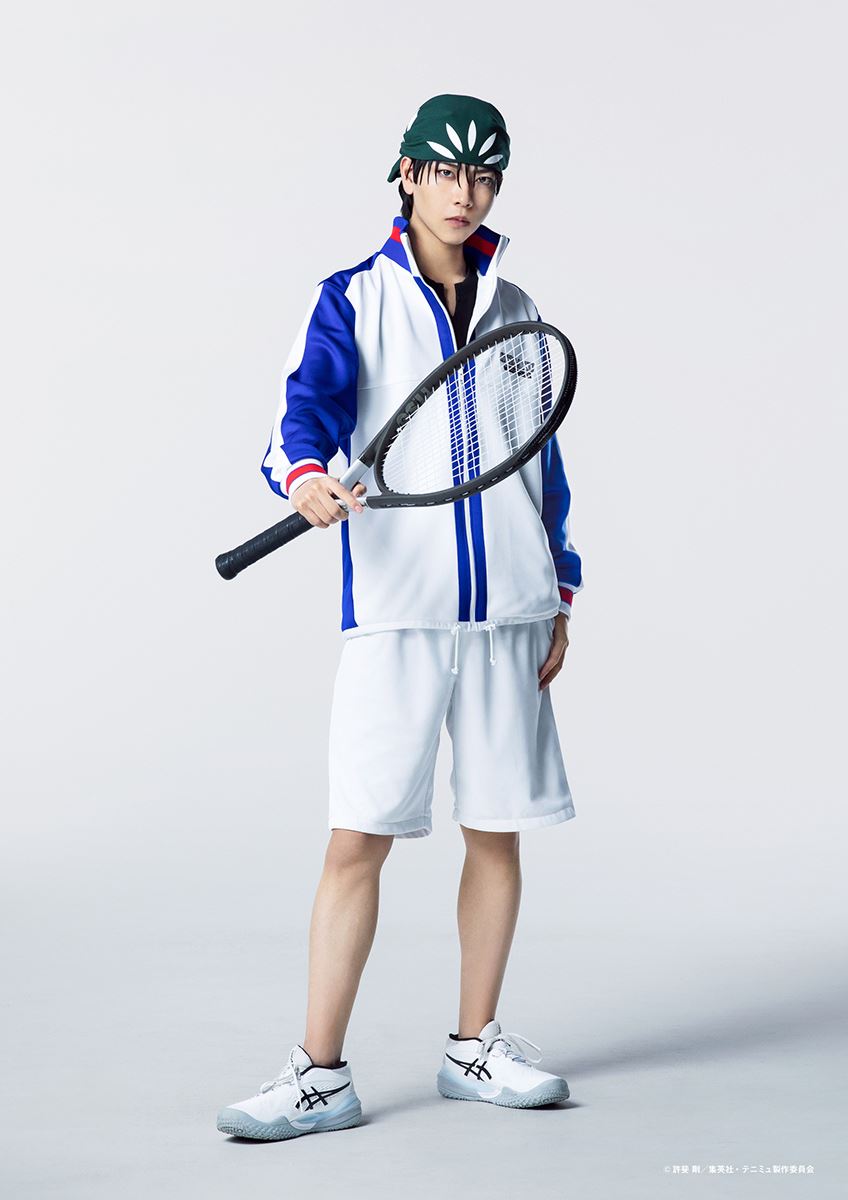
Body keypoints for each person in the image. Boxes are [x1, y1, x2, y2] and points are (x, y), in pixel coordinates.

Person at [218, 94, 583, 1141]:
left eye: (483, 177)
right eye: (445, 172)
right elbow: (304, 410)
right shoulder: (352, 297)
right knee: (357, 839)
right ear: (408, 175)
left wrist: (557, 589)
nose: (464, 194)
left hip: (509, 612)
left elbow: (541, 461)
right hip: (397, 611)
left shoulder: (516, 310)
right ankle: (319, 1074)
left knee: (496, 831)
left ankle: (474, 1047)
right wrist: (304, 477)